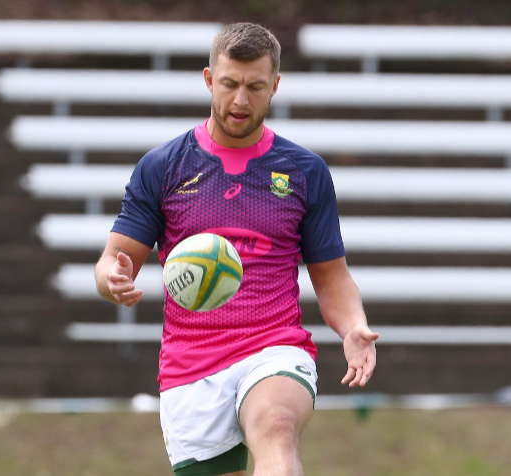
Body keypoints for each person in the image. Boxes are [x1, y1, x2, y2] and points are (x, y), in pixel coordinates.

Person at [95, 22, 379, 476]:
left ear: (275, 86)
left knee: (276, 423)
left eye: (255, 87)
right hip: (190, 366)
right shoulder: (163, 167)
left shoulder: (305, 172)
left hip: (274, 347)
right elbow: (114, 259)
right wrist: (113, 279)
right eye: (229, 85)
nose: (241, 101)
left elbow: (331, 276)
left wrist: (353, 325)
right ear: (209, 80)